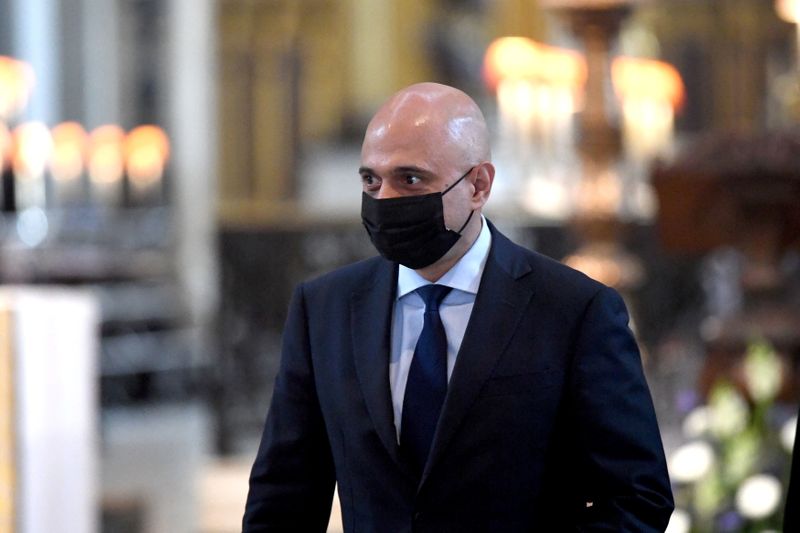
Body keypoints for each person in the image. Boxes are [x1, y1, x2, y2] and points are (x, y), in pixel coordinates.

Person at [243, 82, 674, 531]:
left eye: (410, 179)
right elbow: (284, 497)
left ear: (478, 186)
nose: (384, 199)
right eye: (371, 179)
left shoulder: (575, 310)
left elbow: (636, 496)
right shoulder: (324, 309)